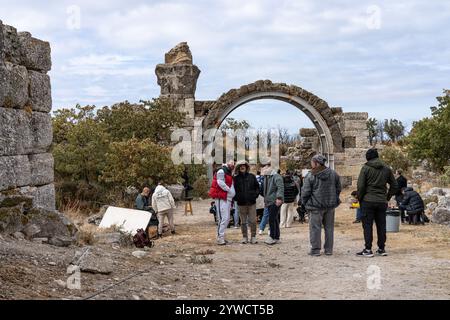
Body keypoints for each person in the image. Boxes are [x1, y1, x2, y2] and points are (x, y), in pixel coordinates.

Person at [357, 148, 398, 257]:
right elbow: (394, 185)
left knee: (367, 225)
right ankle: (381, 248)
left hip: (368, 201)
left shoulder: (365, 168)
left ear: (368, 157)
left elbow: (360, 186)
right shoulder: (386, 169)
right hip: (381, 201)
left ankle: (368, 249)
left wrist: (360, 198)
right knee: (381, 225)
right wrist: (387, 197)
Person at [302, 154, 342, 256]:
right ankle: (328, 250)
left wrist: (304, 203)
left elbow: (305, 192)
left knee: (315, 228)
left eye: (312, 162)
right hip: (330, 206)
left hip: (315, 206)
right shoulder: (334, 174)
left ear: (316, 163)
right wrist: (334, 198)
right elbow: (338, 188)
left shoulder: (310, 175)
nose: (311, 164)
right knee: (329, 228)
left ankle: (315, 250)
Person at [208, 160, 236, 245]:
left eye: (234, 163)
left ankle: (221, 237)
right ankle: (220, 238)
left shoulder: (228, 172)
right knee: (223, 218)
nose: (233, 164)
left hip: (227, 199)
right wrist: (229, 190)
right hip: (221, 198)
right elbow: (220, 182)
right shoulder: (221, 171)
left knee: (226, 218)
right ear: (227, 162)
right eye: (231, 162)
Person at [233, 160, 260, 244]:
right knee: (243, 222)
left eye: (244, 165)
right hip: (241, 203)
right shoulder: (236, 179)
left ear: (246, 167)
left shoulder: (252, 176)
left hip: (252, 203)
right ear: (238, 168)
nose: (242, 167)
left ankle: (253, 237)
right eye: (240, 166)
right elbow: (232, 190)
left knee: (252, 221)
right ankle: (245, 237)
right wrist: (237, 198)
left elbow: (258, 187)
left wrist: (255, 195)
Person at [261, 162, 284, 245]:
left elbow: (280, 187)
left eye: (266, 167)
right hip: (269, 201)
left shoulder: (277, 176)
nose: (264, 168)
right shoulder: (267, 177)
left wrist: (279, 198)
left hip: (275, 201)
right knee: (274, 219)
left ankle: (272, 237)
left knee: (271, 219)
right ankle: (276, 237)